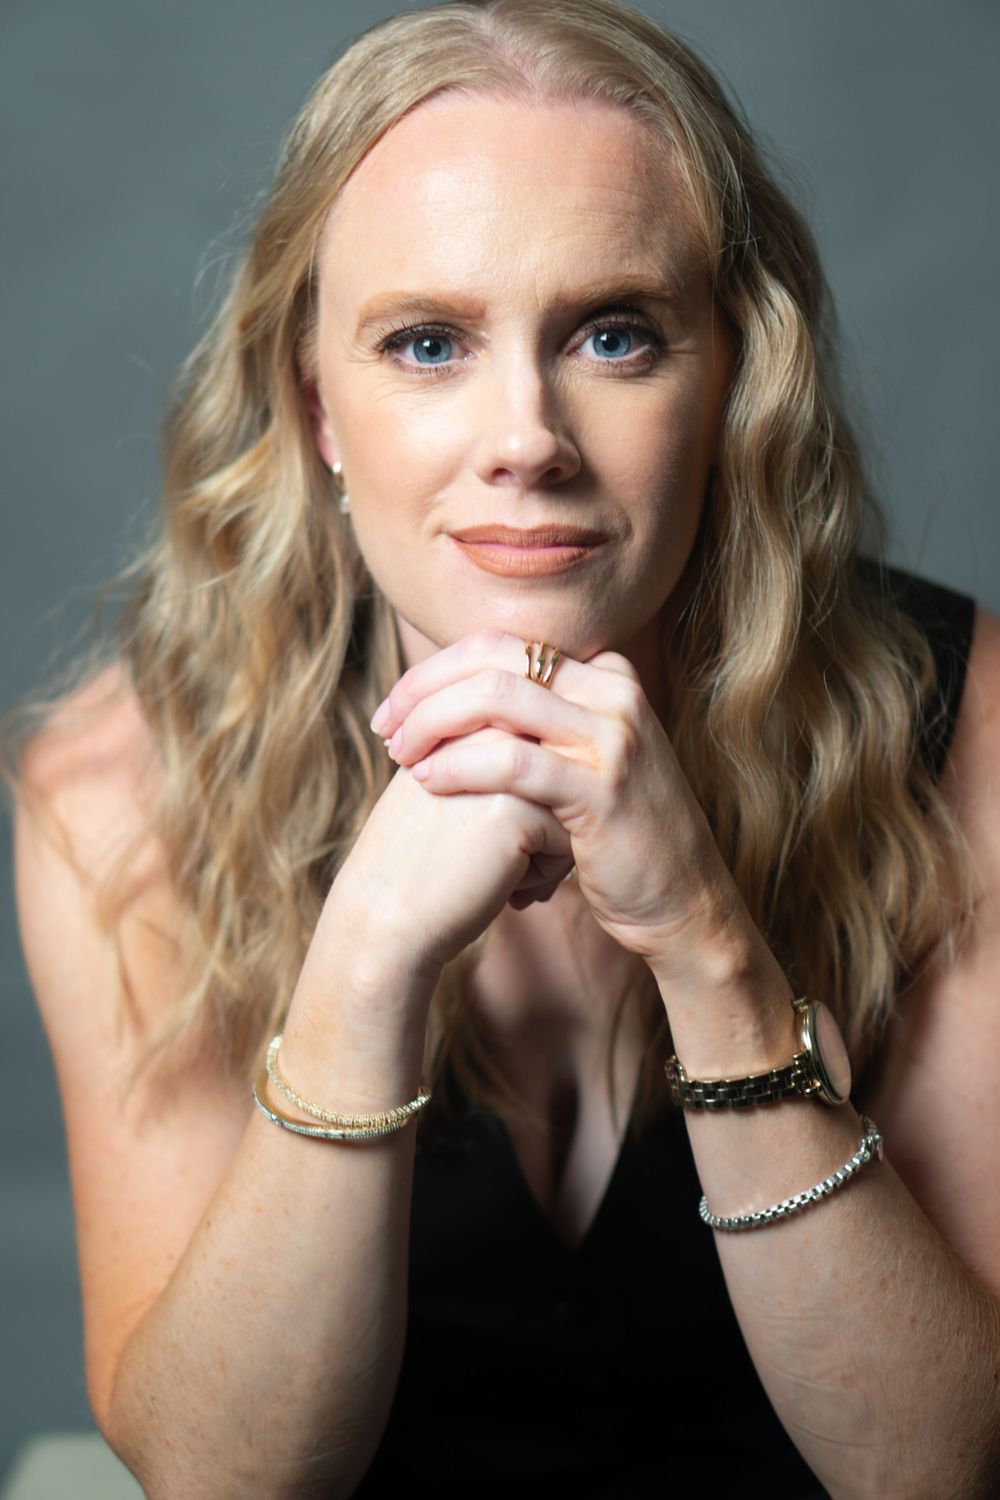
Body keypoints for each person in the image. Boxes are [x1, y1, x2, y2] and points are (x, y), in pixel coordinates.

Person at [6, 0, 1000, 1494]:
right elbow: (223, 1480)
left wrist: (704, 942)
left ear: (731, 380)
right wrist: (363, 966)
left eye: (614, 335)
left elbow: (931, 1467)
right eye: (426, 344)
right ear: (317, 404)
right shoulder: (117, 791)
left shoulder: (969, 726)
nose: (526, 434)